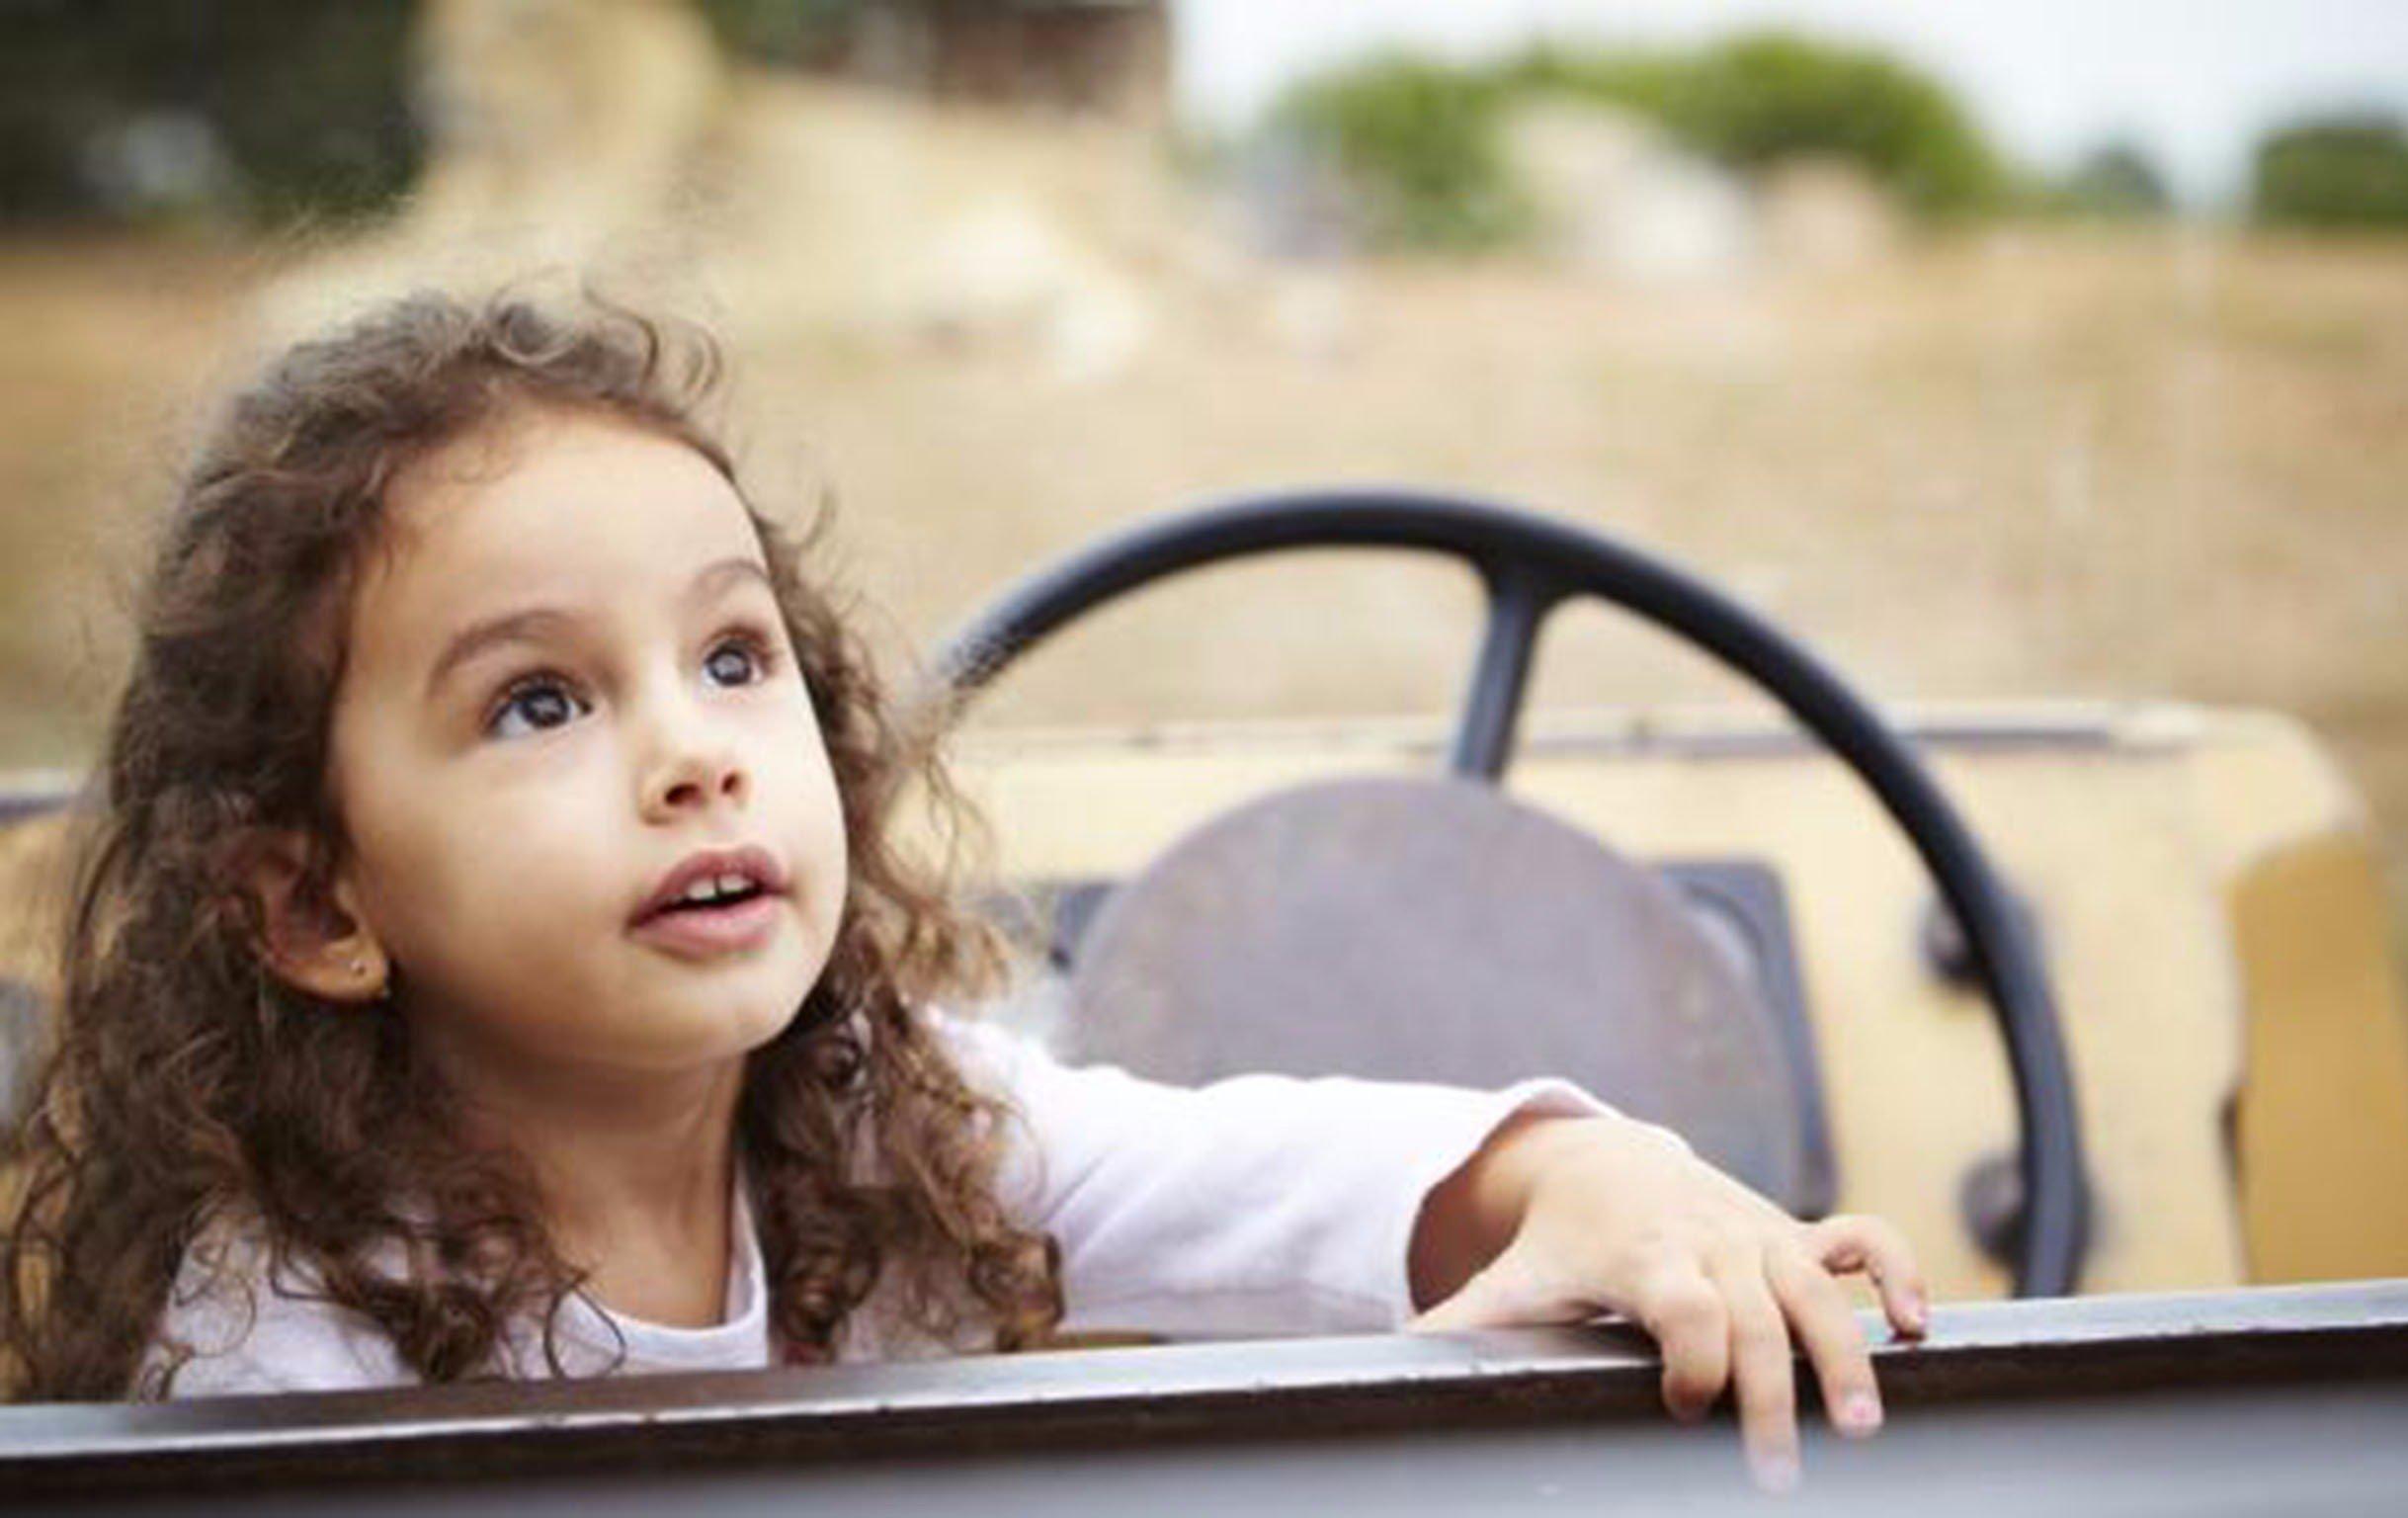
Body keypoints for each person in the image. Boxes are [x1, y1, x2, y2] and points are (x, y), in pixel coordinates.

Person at [0, 291, 1927, 1494]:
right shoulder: (276, 1366)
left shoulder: (882, 1126)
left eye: (733, 658)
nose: (694, 751)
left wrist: (1593, 1186)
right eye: (538, 700)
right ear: (316, 908)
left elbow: (1277, 1173)